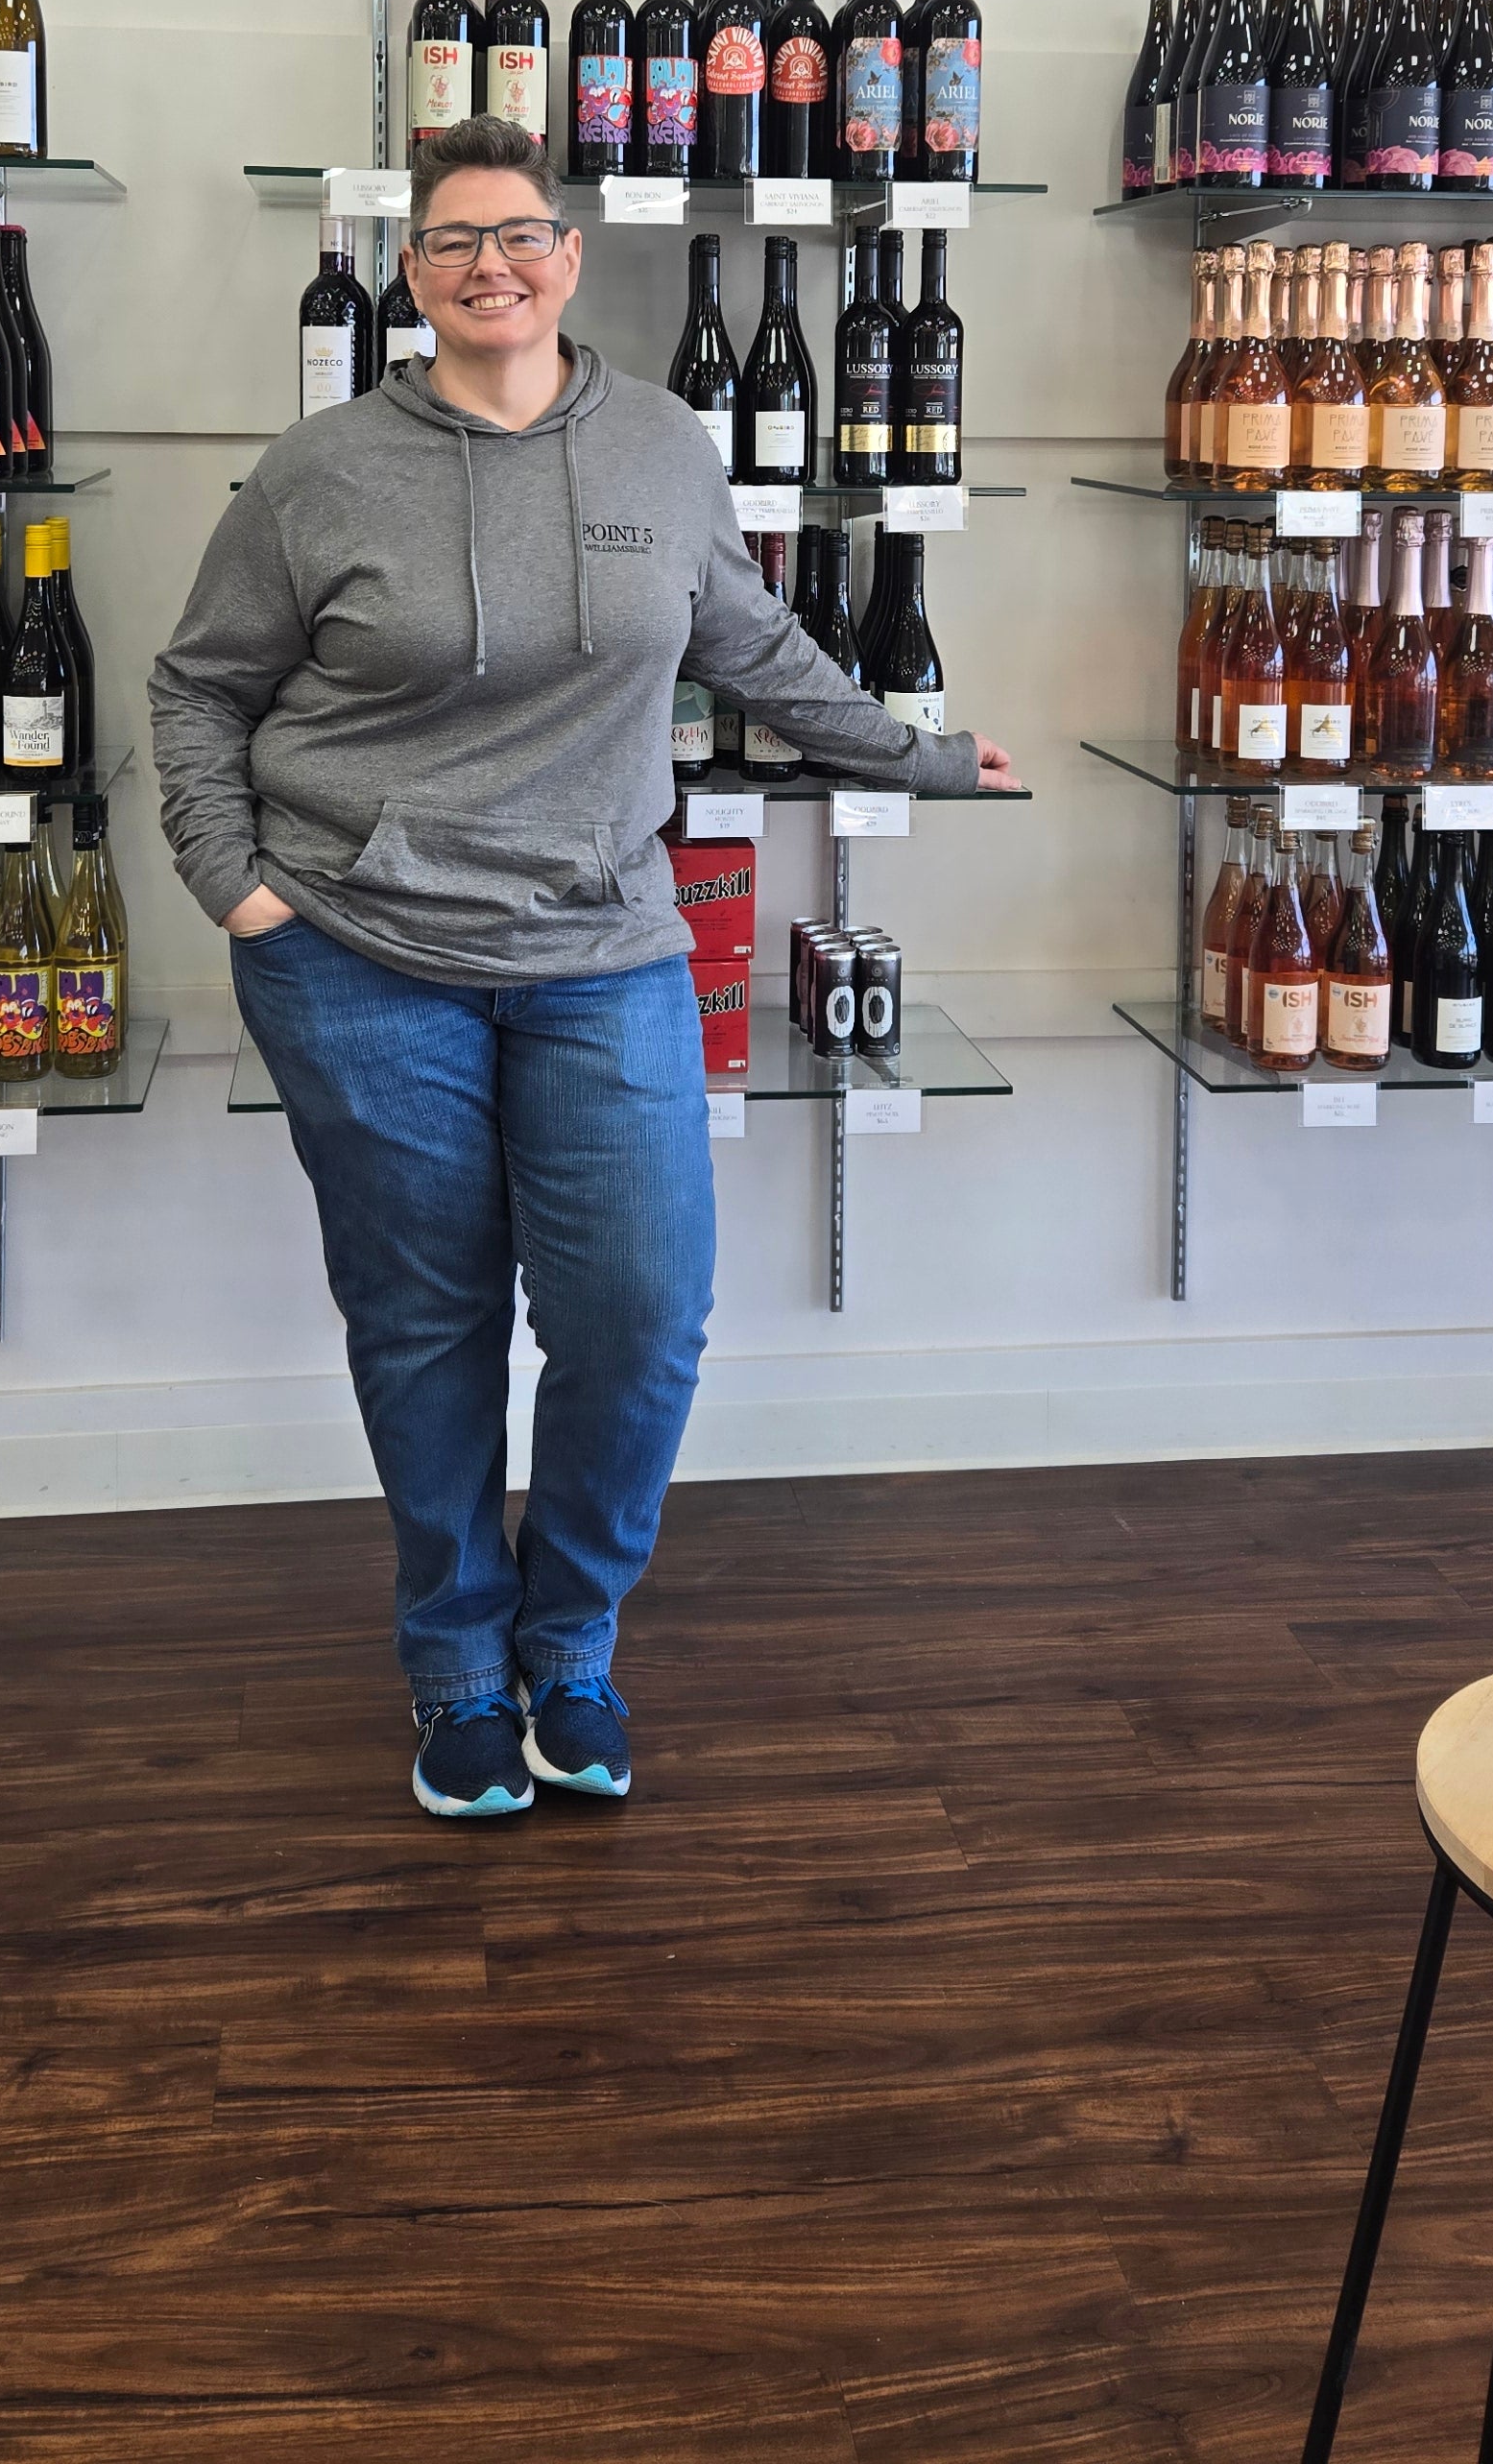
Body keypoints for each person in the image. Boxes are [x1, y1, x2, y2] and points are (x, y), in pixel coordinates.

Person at [152, 115, 1019, 1820]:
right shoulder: (317, 470)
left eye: (521, 233)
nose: (493, 263)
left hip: (600, 945)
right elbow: (199, 688)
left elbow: (751, 641)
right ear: (410, 271)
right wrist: (233, 886)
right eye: (455, 238)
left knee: (636, 1319)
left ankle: (575, 1645)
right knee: (426, 1321)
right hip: (357, 952)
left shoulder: (664, 451)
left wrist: (913, 753)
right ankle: (461, 1668)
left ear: (570, 256)